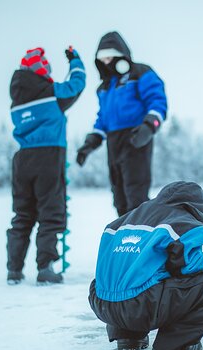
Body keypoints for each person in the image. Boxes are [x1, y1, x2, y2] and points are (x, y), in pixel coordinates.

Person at [88, 181, 203, 350]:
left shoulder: (121, 221)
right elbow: (188, 264)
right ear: (198, 207)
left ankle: (128, 338)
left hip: (101, 302)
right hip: (139, 307)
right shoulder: (183, 221)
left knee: (126, 276)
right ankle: (172, 349)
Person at [6, 46, 86, 285]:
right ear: (42, 70)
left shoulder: (17, 99)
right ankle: (45, 267)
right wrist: (75, 60)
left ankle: (14, 270)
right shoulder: (52, 93)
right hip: (48, 157)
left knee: (22, 214)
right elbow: (76, 84)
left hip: (22, 159)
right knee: (50, 213)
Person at [75, 31, 168, 217]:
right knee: (119, 197)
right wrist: (89, 144)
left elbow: (157, 100)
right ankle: (124, 241)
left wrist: (149, 126)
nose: (107, 62)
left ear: (122, 55)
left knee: (136, 195)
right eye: (103, 59)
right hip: (113, 142)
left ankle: (142, 238)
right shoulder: (104, 88)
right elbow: (102, 119)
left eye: (111, 56)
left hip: (136, 138)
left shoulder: (140, 73)